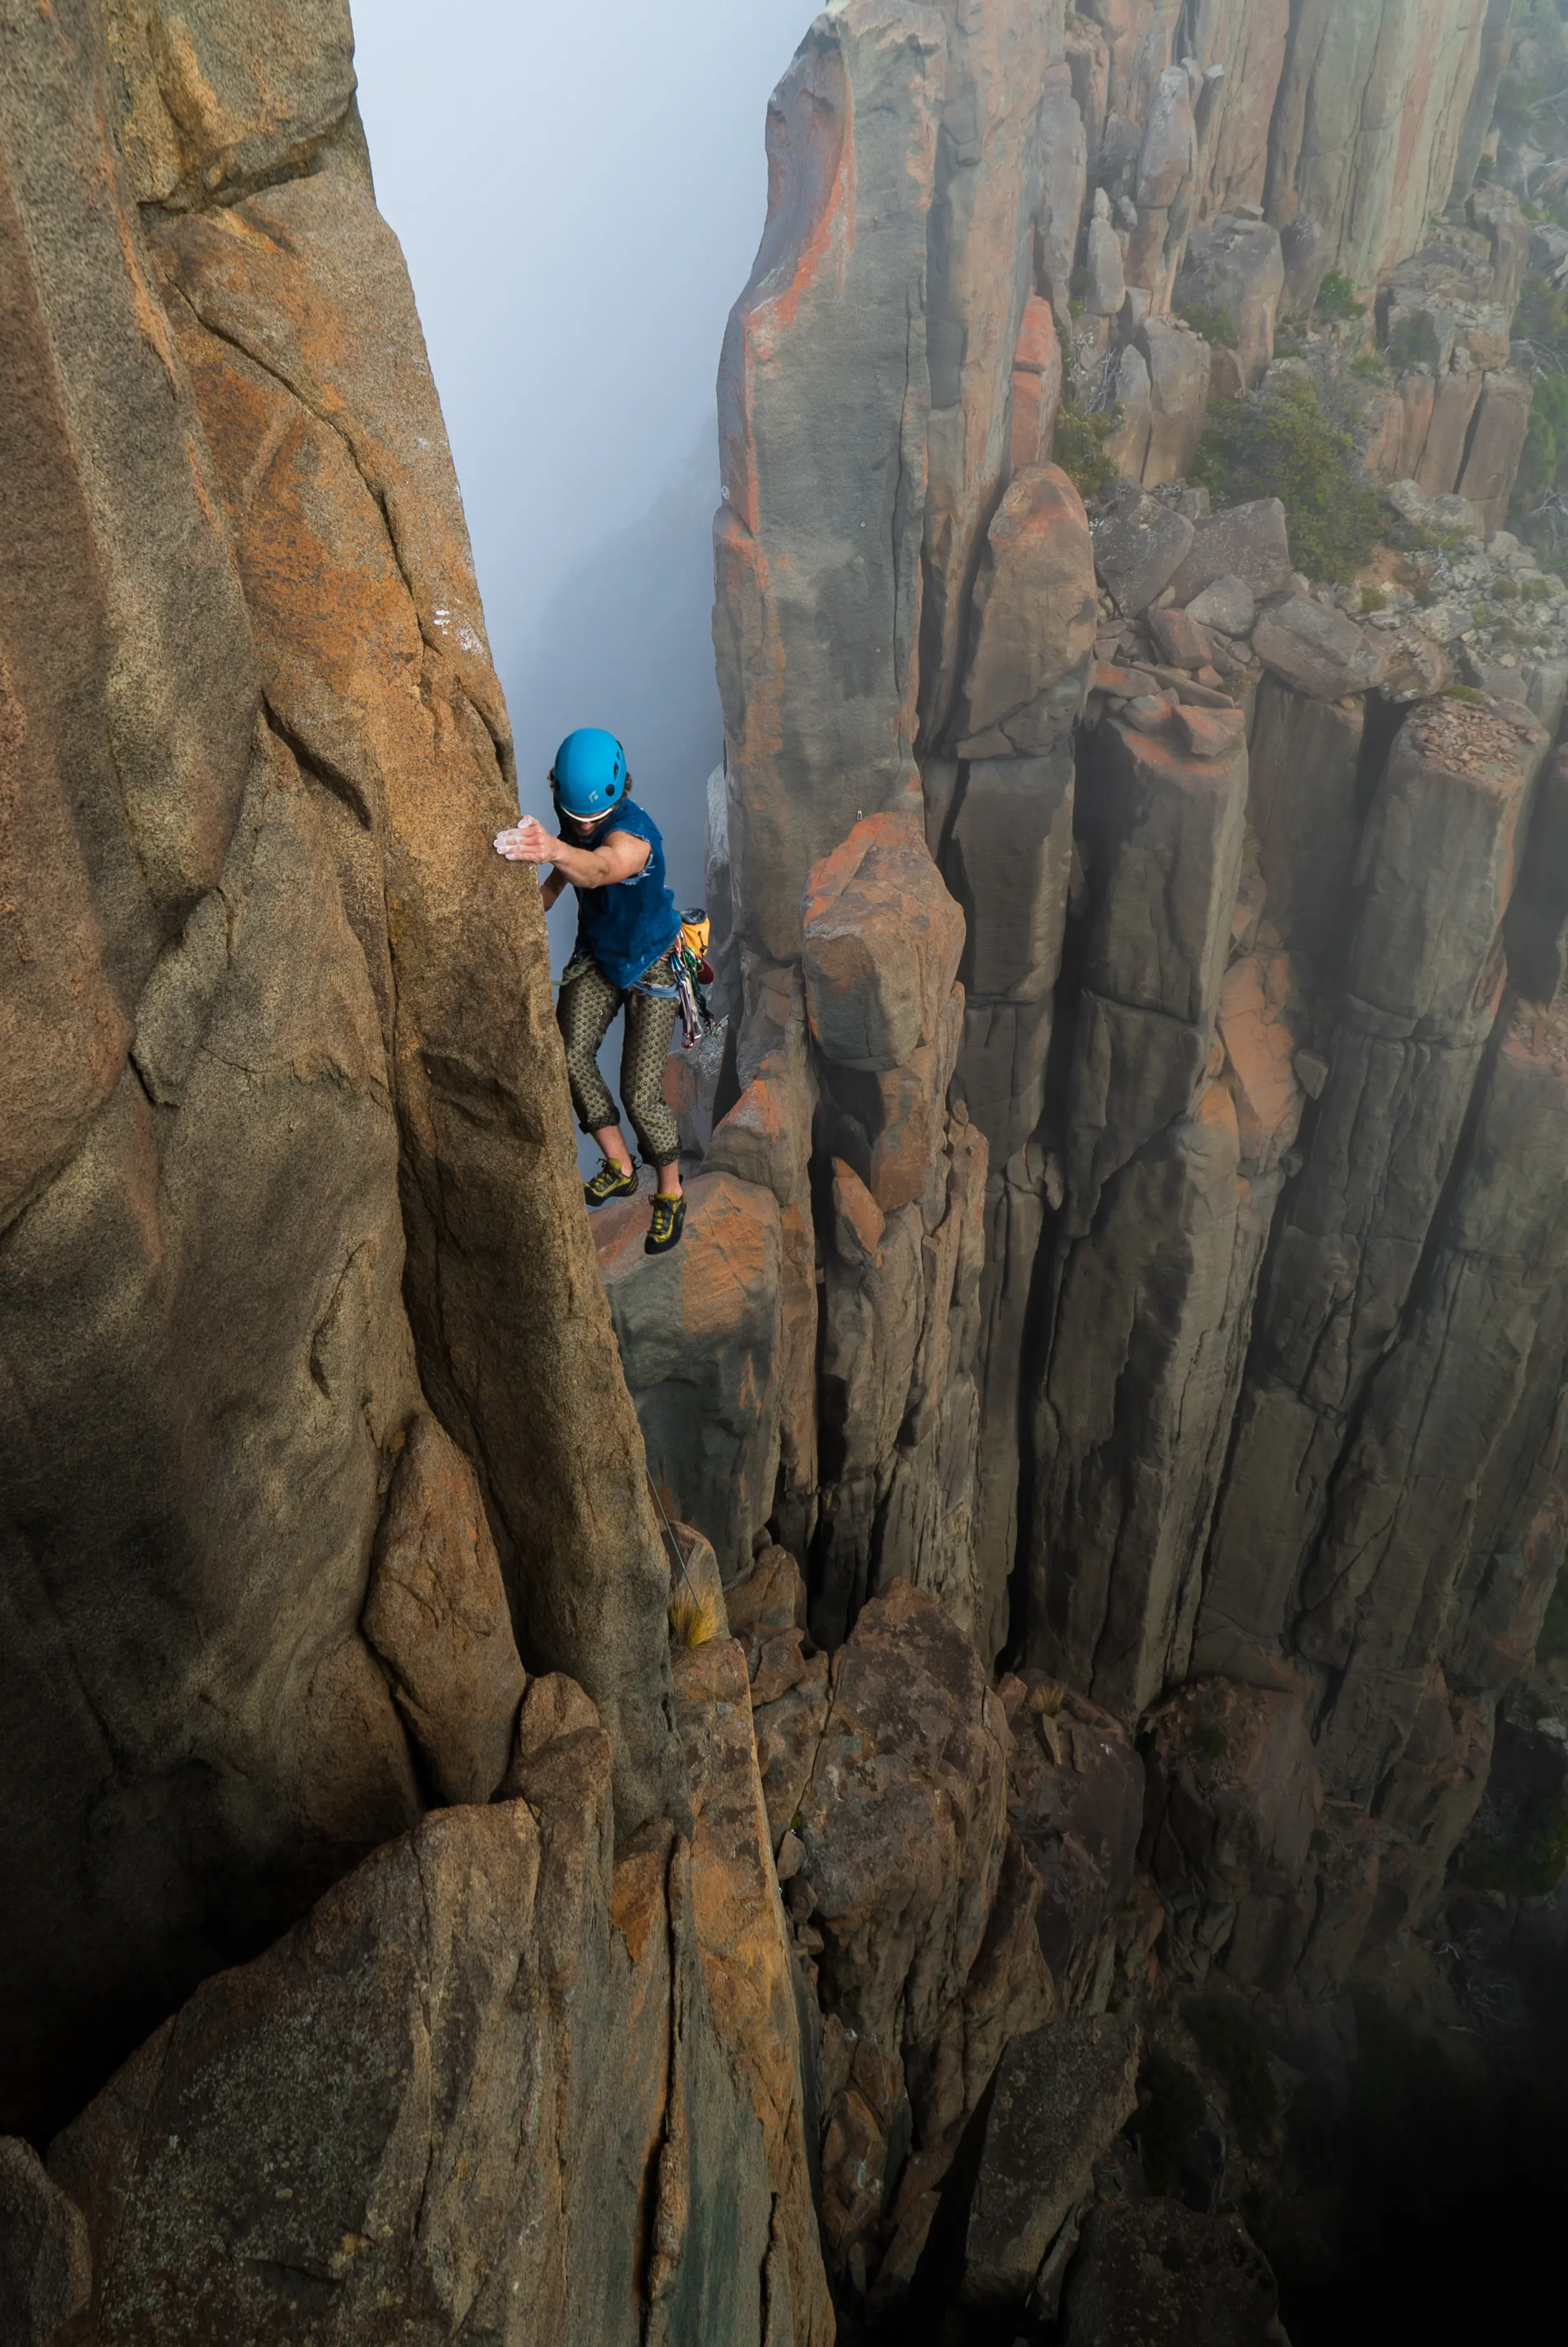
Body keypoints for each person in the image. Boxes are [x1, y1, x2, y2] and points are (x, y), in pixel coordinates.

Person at [495, 727, 687, 1254]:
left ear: (617, 794)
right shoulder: (577, 817)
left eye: (590, 819)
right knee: (570, 1054)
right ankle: (621, 1166)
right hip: (600, 956)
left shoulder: (635, 836)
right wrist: (538, 898)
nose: (583, 825)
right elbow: (567, 869)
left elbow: (600, 868)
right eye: (574, 817)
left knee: (639, 1093)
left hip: (652, 962)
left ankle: (670, 1192)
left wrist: (554, 846)